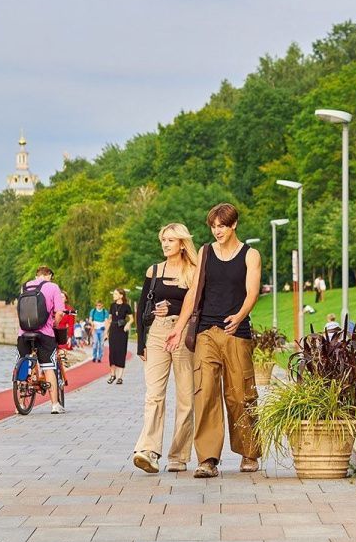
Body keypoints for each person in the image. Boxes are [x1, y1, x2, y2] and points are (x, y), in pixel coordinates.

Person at [166, 203, 262, 479]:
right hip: (207, 330)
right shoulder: (206, 253)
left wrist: (240, 315)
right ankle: (208, 459)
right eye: (213, 226)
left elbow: (252, 291)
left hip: (236, 332)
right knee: (205, 391)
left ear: (234, 225)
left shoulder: (250, 254)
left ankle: (249, 453)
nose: (217, 230)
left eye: (222, 225)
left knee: (240, 394)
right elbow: (193, 292)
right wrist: (180, 326)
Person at [132, 223, 198, 474]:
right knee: (154, 395)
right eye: (163, 240)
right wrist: (141, 343)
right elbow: (141, 308)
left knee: (185, 397)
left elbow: (196, 305)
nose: (166, 244)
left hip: (181, 333)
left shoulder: (193, 271)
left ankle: (179, 456)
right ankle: (148, 450)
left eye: (171, 240)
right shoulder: (154, 270)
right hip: (158, 332)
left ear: (182, 243)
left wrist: (175, 309)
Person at [18, 266, 66, 414]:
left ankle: (19, 404)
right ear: (49, 275)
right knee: (48, 367)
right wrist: (54, 325)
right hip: (44, 333)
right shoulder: (53, 287)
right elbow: (59, 312)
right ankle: (55, 405)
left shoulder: (25, 286)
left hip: (24, 333)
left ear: (36, 275)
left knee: (23, 364)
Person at [107, 289, 133, 384]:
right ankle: (112, 375)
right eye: (113, 293)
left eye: (116, 294)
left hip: (122, 330)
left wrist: (127, 325)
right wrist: (106, 332)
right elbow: (109, 319)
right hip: (113, 330)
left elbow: (131, 319)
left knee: (121, 352)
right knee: (112, 353)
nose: (114, 295)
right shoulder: (112, 306)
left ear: (121, 296)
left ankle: (120, 377)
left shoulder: (126, 306)